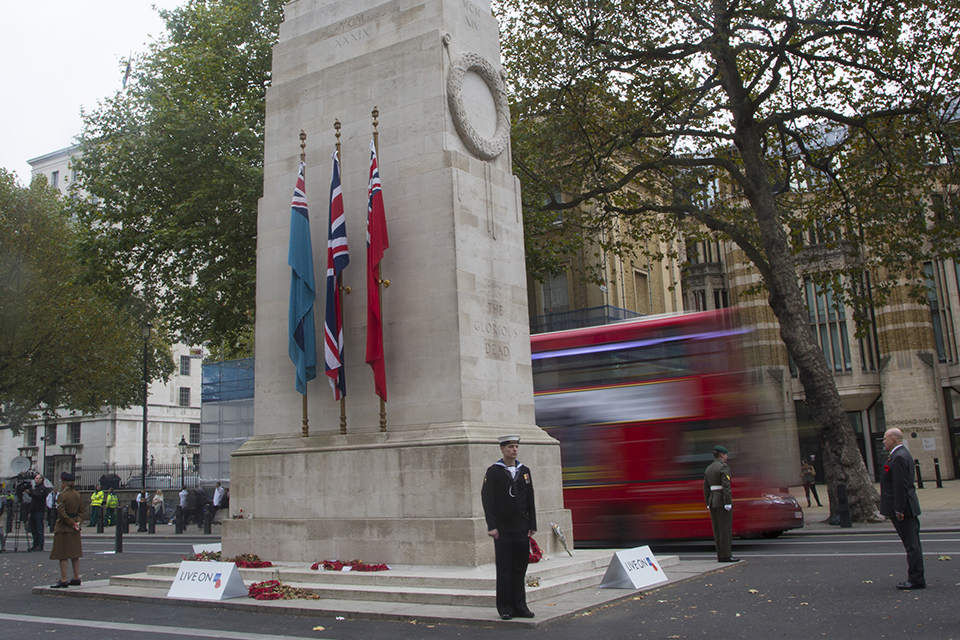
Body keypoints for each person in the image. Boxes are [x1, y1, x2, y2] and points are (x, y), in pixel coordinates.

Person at [481, 434, 537, 621]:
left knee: (520, 568)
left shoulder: (525, 471)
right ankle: (505, 607)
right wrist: (492, 526)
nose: (514, 450)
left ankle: (520, 606)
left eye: (516, 446)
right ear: (502, 449)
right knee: (504, 569)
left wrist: (532, 525)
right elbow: (487, 500)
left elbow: (530, 499)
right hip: (503, 529)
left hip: (521, 527)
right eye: (511, 447)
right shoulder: (494, 472)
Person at [880, 428, 925, 590]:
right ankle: (916, 577)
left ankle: (916, 579)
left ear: (893, 439)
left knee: (911, 545)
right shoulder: (900, 454)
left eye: (885, 439)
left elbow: (900, 486)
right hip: (907, 506)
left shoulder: (899, 457)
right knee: (912, 544)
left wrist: (898, 509)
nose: (883, 442)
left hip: (904, 508)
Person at [50, 471, 85, 588]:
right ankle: (76, 577)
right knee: (75, 554)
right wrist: (78, 522)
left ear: (64, 483)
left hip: (64, 528)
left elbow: (62, 514)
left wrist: (72, 523)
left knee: (63, 555)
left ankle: (63, 579)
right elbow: (82, 511)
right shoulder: (77, 494)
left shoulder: (62, 495)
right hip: (75, 527)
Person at [704, 445, 739, 563]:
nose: (727, 457)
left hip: (713, 501)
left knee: (717, 529)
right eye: (726, 455)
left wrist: (708, 501)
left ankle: (720, 554)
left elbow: (706, 487)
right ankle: (726, 555)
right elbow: (726, 486)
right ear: (722, 455)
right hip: (722, 501)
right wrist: (728, 502)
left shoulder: (709, 468)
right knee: (725, 529)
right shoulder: (723, 467)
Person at [28, 474, 50, 552]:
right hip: (33, 510)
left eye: (37, 478)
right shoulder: (35, 488)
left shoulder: (43, 489)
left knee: (39, 529)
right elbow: (33, 501)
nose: (35, 479)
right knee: (33, 529)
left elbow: (38, 496)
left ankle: (40, 545)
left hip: (39, 511)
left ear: (41, 479)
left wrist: (30, 492)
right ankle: (35, 544)